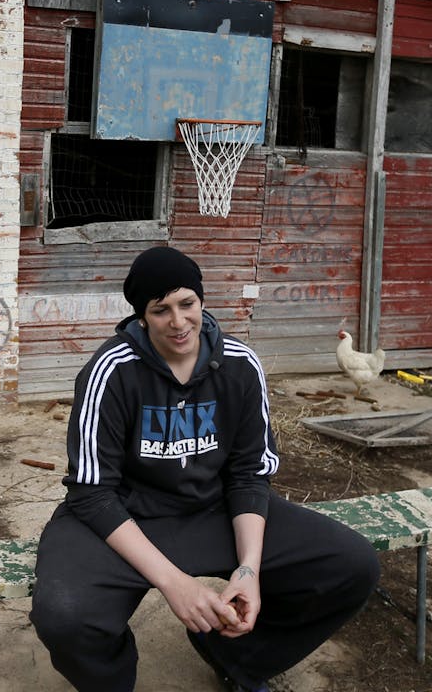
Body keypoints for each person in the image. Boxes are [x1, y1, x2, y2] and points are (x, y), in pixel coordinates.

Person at [29, 246, 380, 691]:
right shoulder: (110, 371)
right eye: (161, 310)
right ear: (142, 316)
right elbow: (93, 492)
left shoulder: (240, 365)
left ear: (201, 300)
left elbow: (249, 474)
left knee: (350, 565)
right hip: (125, 515)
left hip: (212, 509)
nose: (178, 322)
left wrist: (248, 571)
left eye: (187, 303)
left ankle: (237, 658)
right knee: (64, 616)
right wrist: (176, 585)